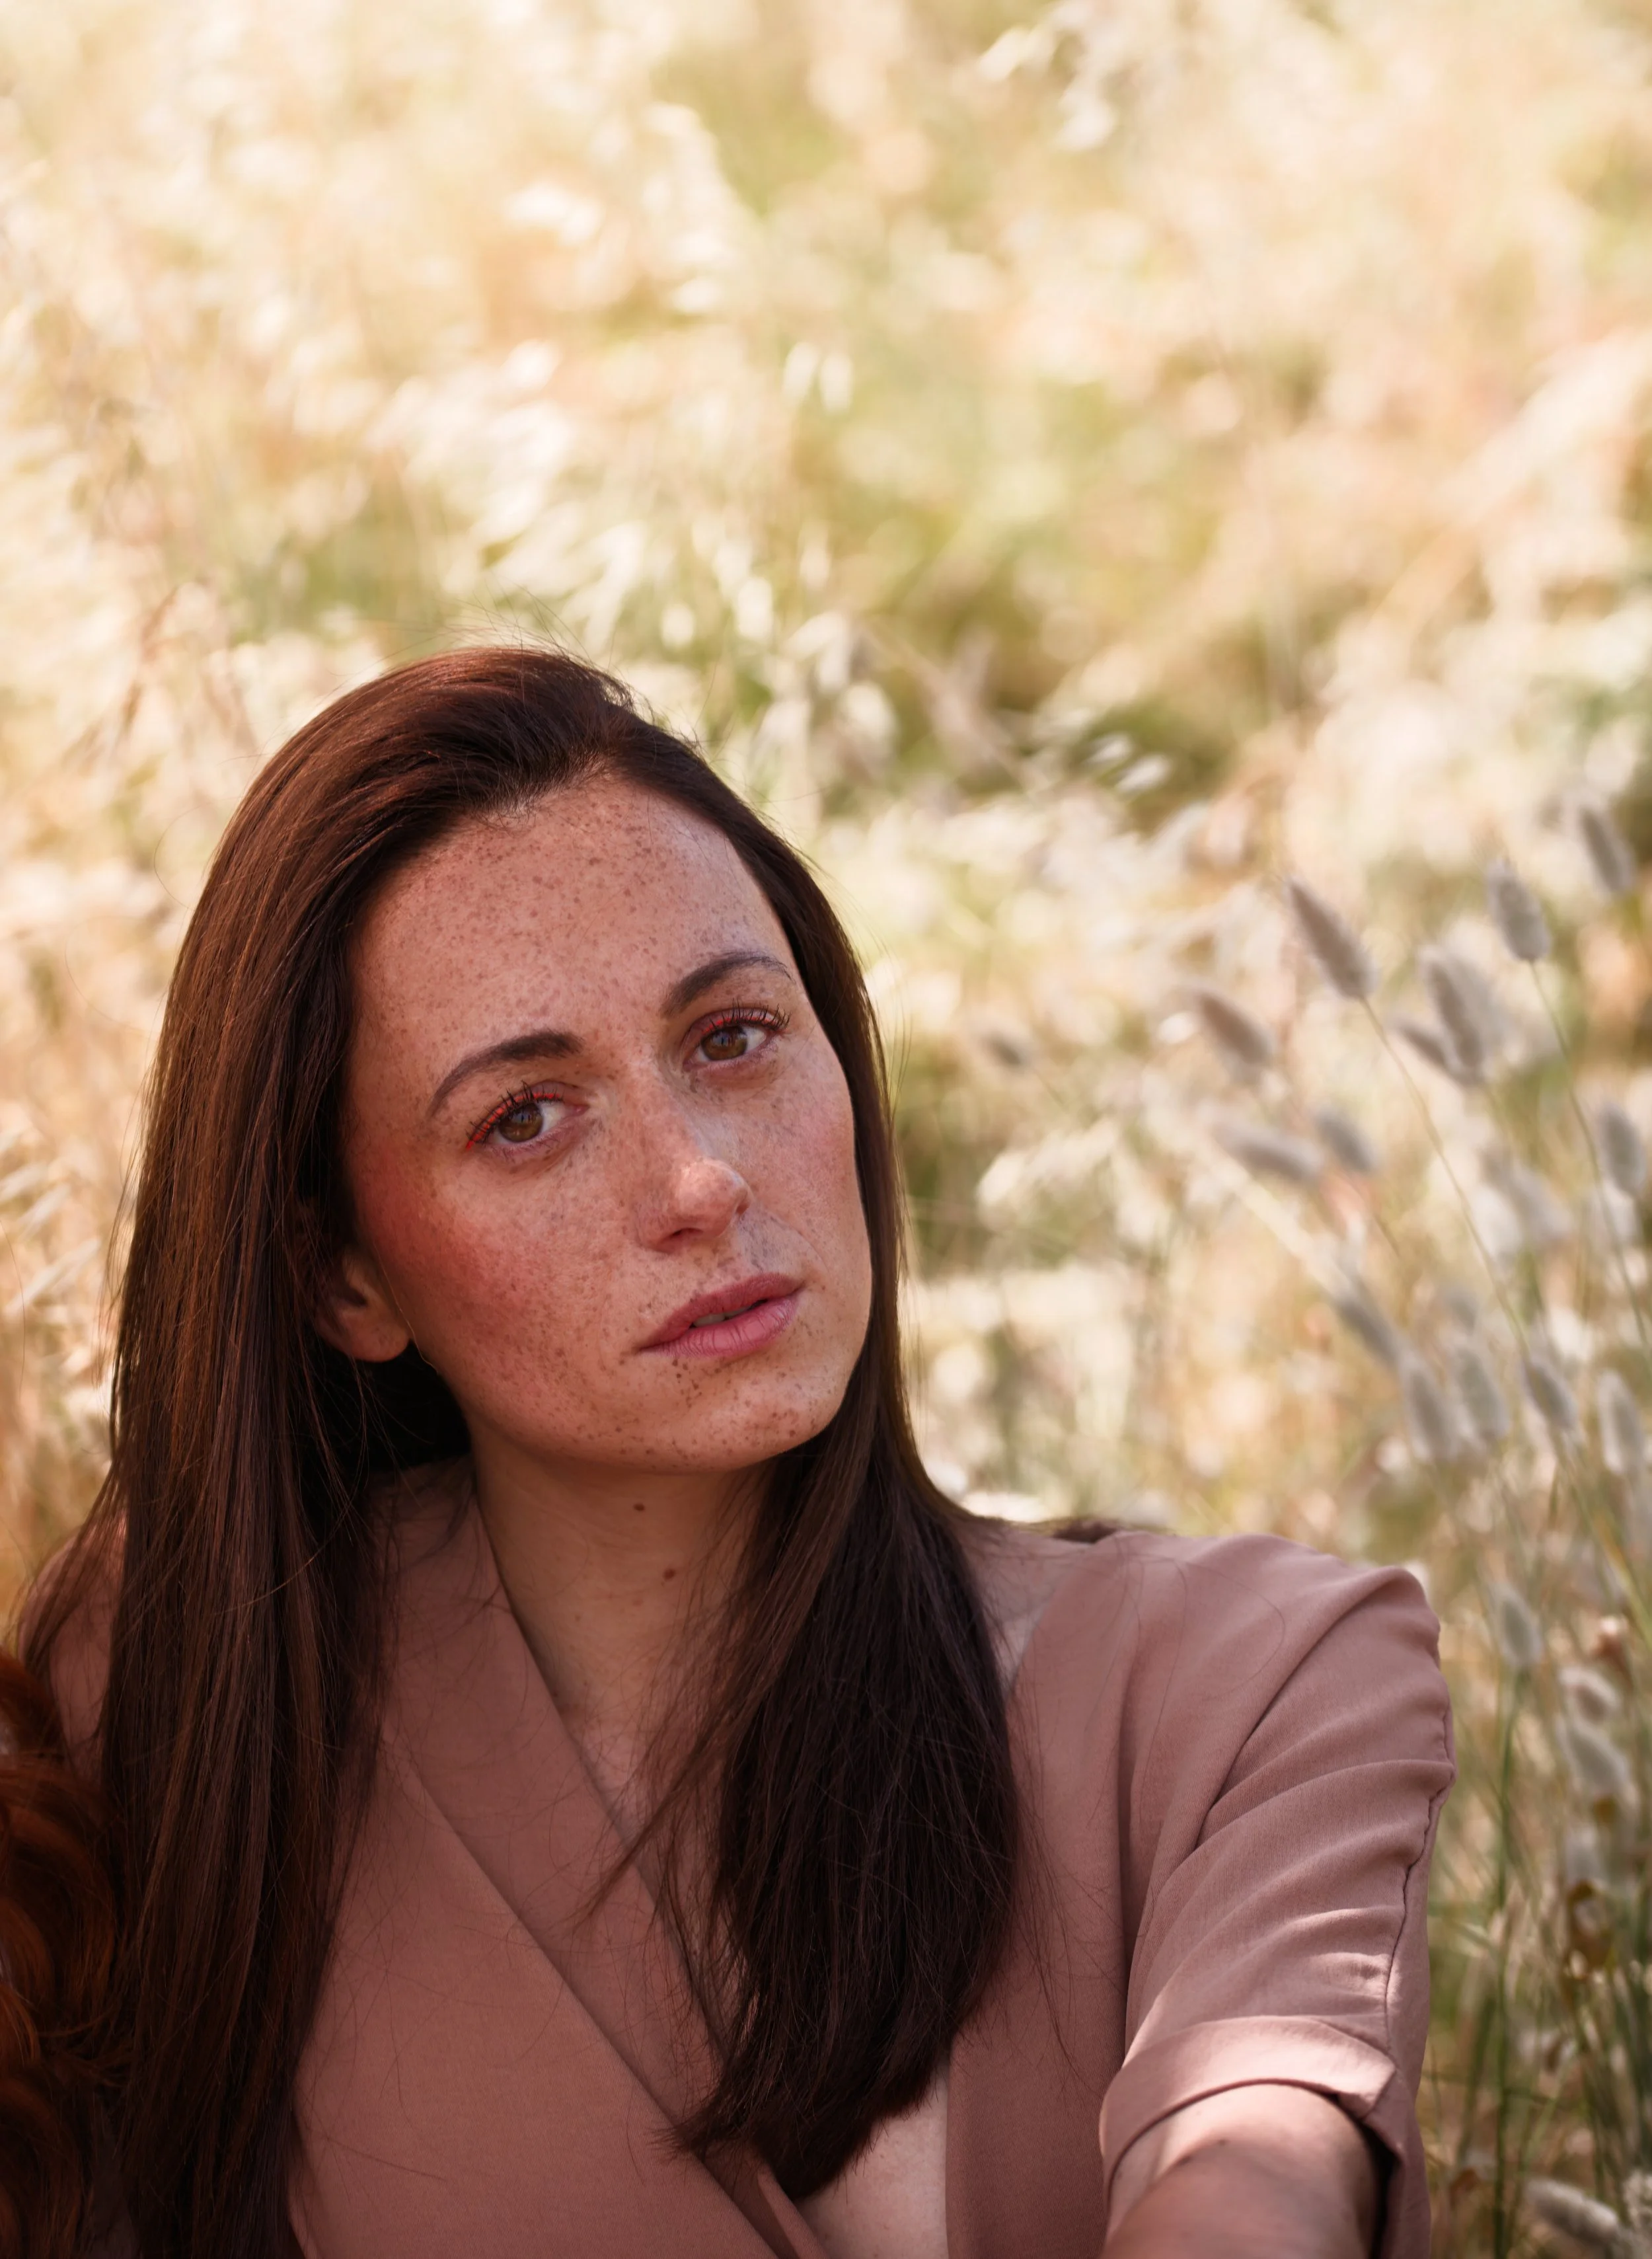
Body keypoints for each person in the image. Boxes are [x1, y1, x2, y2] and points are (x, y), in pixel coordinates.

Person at [0, 648, 1453, 2259]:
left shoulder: (1256, 1684)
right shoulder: (195, 1682)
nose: (697, 1178)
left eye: (734, 1035)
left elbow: (1255, 2181)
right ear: (344, 1273)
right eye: (525, 1118)